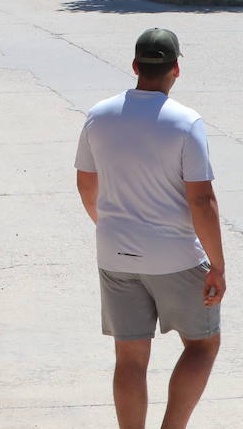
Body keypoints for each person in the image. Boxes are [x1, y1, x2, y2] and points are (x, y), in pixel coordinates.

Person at [75, 28, 224, 429]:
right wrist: (218, 265)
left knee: (130, 358)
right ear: (176, 68)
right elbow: (201, 201)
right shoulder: (186, 122)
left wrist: (109, 227)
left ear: (136, 66)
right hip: (175, 256)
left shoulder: (99, 115)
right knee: (202, 343)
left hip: (115, 254)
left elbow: (86, 184)